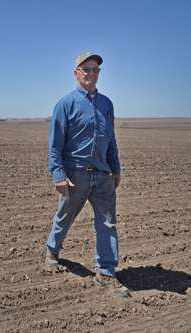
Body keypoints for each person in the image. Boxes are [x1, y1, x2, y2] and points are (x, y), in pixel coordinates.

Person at [45, 52, 129, 297]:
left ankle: (106, 272)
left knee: (107, 223)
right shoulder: (65, 104)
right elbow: (55, 145)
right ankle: (52, 250)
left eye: (95, 70)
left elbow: (111, 140)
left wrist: (116, 168)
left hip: (103, 176)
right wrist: (58, 174)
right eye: (86, 69)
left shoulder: (106, 104)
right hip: (76, 175)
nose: (91, 74)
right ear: (76, 73)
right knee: (65, 217)